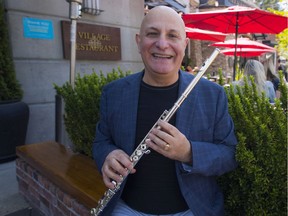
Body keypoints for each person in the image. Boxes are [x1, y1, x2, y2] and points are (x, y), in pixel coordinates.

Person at [93, 6, 238, 216]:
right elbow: (100, 141)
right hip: (126, 209)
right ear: (138, 41)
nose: (162, 44)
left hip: (191, 210)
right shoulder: (113, 93)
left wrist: (188, 152)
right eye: (152, 34)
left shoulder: (212, 95)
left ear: (185, 44)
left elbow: (229, 154)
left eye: (172, 35)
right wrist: (107, 155)